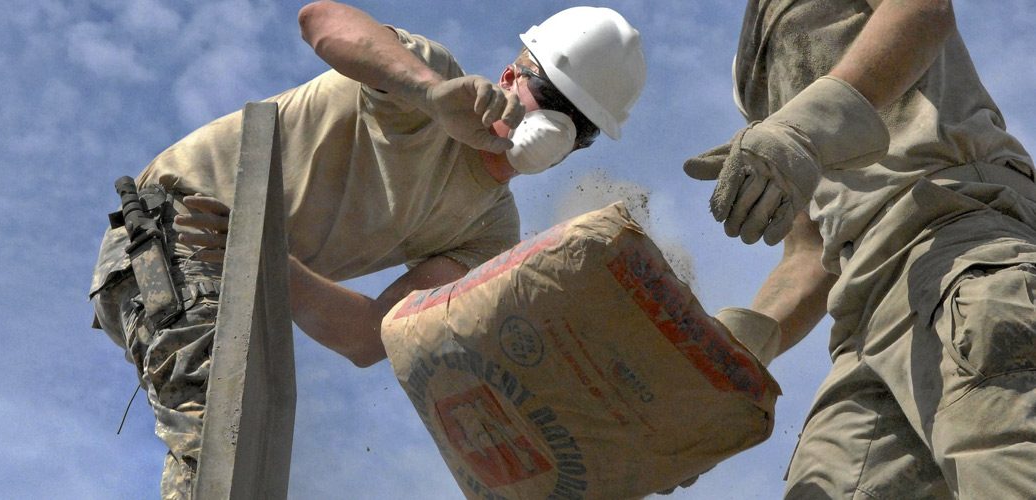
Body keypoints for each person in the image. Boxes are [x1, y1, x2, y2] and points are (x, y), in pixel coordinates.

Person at [87, 2, 646, 497]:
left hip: (245, 277)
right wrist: (426, 91)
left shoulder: (489, 232)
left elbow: (365, 337)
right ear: (510, 74)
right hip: (175, 228)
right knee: (219, 433)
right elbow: (320, 19)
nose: (556, 126)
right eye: (549, 98)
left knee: (253, 454)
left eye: (580, 126)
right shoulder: (427, 85)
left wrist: (268, 259)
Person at [683, 0, 1036, 497]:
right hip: (865, 312)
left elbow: (924, 11)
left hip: (954, 241)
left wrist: (802, 127)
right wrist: (734, 357)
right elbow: (809, 253)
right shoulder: (754, 57)